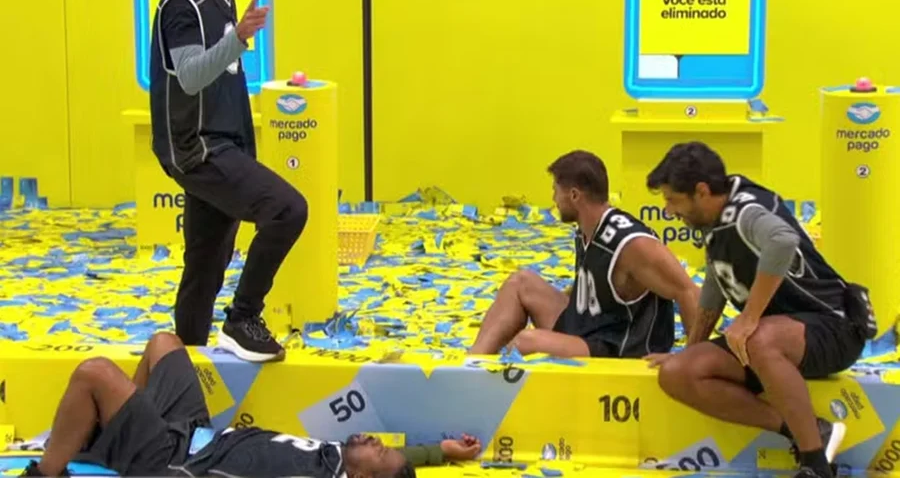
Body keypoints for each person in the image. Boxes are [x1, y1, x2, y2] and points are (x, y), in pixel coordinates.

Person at [643, 142, 877, 478]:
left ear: (701, 191)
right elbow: (717, 282)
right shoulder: (714, 219)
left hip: (834, 328)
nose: (668, 210)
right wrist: (691, 348)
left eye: (672, 199)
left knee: (756, 338)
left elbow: (783, 241)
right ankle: (806, 429)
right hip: (775, 340)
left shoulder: (746, 210)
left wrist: (749, 316)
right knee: (678, 373)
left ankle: (816, 465)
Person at [149, 0, 309, 362]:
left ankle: (186, 361)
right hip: (198, 147)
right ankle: (243, 318)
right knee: (287, 210)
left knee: (206, 263)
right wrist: (238, 38)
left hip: (222, 143)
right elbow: (191, 75)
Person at [19, 332, 482, 478]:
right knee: (164, 344)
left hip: (174, 461)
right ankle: (109, 436)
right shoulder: (338, 457)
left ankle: (45, 474)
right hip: (194, 431)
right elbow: (399, 463)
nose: (377, 441)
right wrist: (440, 451)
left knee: (96, 373)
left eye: (378, 451)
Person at [469, 150, 700, 358]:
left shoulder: (631, 242)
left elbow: (689, 291)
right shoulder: (587, 229)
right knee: (520, 283)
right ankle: (470, 364)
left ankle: (487, 383)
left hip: (617, 347)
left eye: (555, 191)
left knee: (526, 342)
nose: (553, 200)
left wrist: (691, 360)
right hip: (590, 326)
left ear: (574, 195)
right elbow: (597, 285)